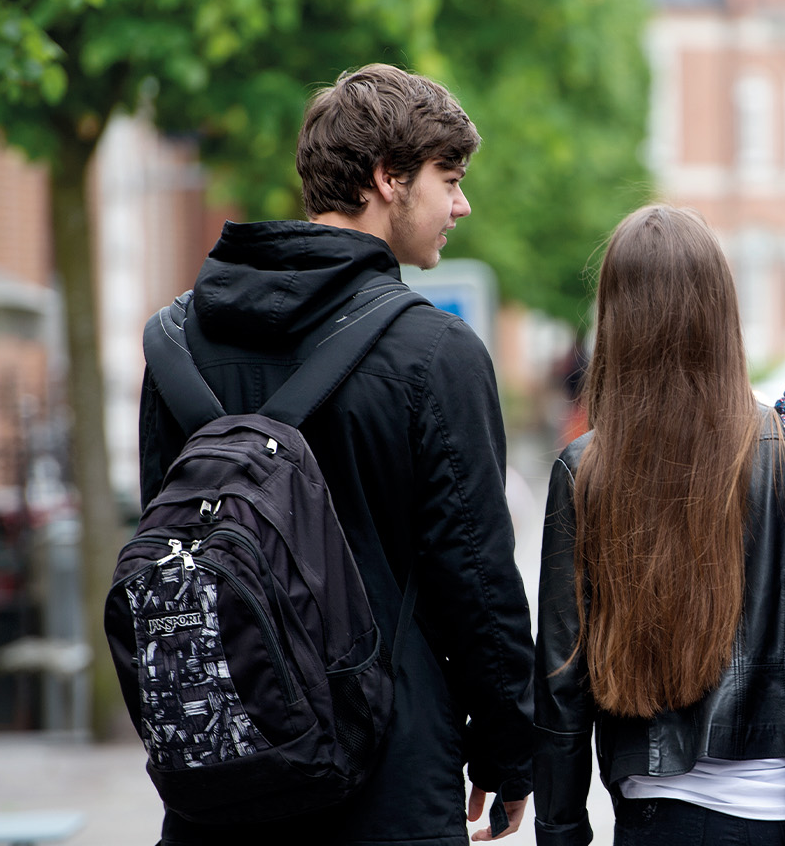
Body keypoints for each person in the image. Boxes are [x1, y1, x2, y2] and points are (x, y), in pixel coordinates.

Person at [138, 64, 537, 845]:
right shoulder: (435, 352)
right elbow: (477, 579)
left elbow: (165, 543)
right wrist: (506, 749)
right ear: (389, 179)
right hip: (388, 770)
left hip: (225, 761)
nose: (462, 204)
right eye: (448, 179)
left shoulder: (175, 345)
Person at [533, 205, 785, 846]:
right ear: (722, 311)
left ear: (615, 320)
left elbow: (562, 675)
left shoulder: (587, 470)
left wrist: (561, 826)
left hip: (657, 813)